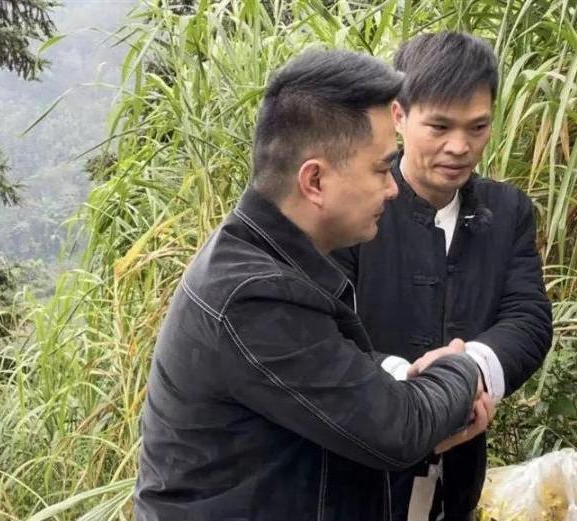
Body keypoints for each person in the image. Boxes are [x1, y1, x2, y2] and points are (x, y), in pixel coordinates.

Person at [133, 48, 495, 521]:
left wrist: (408, 381)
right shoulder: (252, 296)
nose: (392, 188)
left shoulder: (270, 258)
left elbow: (330, 376)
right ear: (315, 181)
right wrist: (462, 368)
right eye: (382, 169)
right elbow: (399, 428)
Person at [331, 32, 553, 521]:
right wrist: (411, 387)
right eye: (439, 126)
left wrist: (471, 369)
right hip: (354, 468)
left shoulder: (507, 211)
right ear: (399, 115)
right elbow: (321, 334)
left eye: (478, 127)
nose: (459, 147)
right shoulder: (349, 207)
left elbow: (528, 317)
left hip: (459, 469)